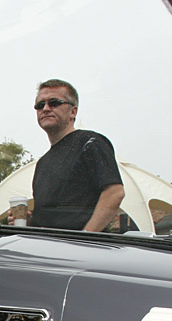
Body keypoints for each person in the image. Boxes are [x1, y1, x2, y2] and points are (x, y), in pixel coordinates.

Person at [31, 79, 124, 232]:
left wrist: (86, 238)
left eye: (54, 102)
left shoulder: (90, 142)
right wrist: (28, 221)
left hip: (84, 251)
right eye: (40, 105)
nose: (46, 108)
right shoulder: (42, 163)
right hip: (49, 251)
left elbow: (114, 193)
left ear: (73, 111)